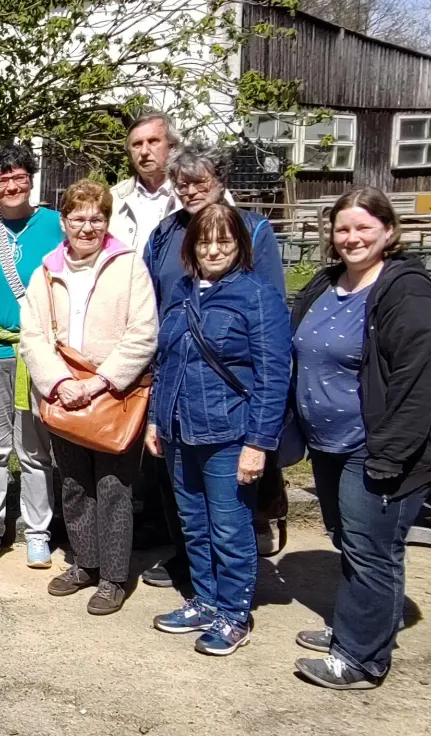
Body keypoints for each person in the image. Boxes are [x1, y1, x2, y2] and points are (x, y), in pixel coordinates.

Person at [288, 188, 431, 690]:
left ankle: (360, 659)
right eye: (343, 229)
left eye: (363, 227)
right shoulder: (325, 284)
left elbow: (421, 383)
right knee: (351, 540)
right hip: (330, 443)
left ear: (388, 231)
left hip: (380, 447)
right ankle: (356, 628)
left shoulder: (407, 293)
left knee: (370, 549)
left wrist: (390, 455)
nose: (352, 238)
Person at [141, 143, 289, 588]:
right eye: (181, 184)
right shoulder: (165, 233)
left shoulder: (251, 230)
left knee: (228, 511)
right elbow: (152, 305)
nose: (189, 191)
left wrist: (260, 436)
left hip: (229, 391)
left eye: (199, 183)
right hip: (177, 385)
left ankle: (233, 601)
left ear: (220, 181)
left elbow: (270, 326)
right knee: (189, 508)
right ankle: (197, 582)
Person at [19, 181, 158, 615]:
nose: (86, 227)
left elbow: (143, 333)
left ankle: (114, 577)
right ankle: (85, 562)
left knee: (114, 487)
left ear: (106, 222)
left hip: (113, 393)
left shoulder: (128, 266)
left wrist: (99, 382)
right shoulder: (46, 270)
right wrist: (60, 384)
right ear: (63, 222)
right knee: (75, 483)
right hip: (65, 392)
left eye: (96, 218)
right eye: (77, 218)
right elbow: (34, 335)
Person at [0, 142, 63, 567]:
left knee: (36, 449)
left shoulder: (56, 224)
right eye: (2, 177)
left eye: (19, 175)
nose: (11, 184)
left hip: (37, 353)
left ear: (31, 178)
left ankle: (37, 532)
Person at [109, 112, 181, 251]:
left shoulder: (199, 195)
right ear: (129, 154)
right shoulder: (113, 198)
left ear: (173, 147)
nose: (144, 151)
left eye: (153, 141)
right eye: (137, 144)